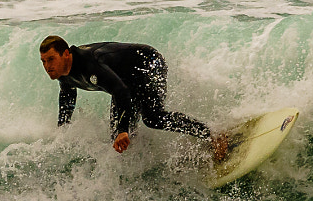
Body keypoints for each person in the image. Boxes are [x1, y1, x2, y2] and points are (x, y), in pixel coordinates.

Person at [39, 35, 226, 160]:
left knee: (153, 118)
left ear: (65, 54)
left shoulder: (90, 64)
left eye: (51, 59)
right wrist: (62, 129)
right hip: (126, 81)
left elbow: (121, 92)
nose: (47, 66)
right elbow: (67, 97)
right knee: (118, 137)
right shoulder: (63, 74)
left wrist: (123, 129)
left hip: (148, 63)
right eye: (44, 61)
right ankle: (152, 161)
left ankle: (212, 134)